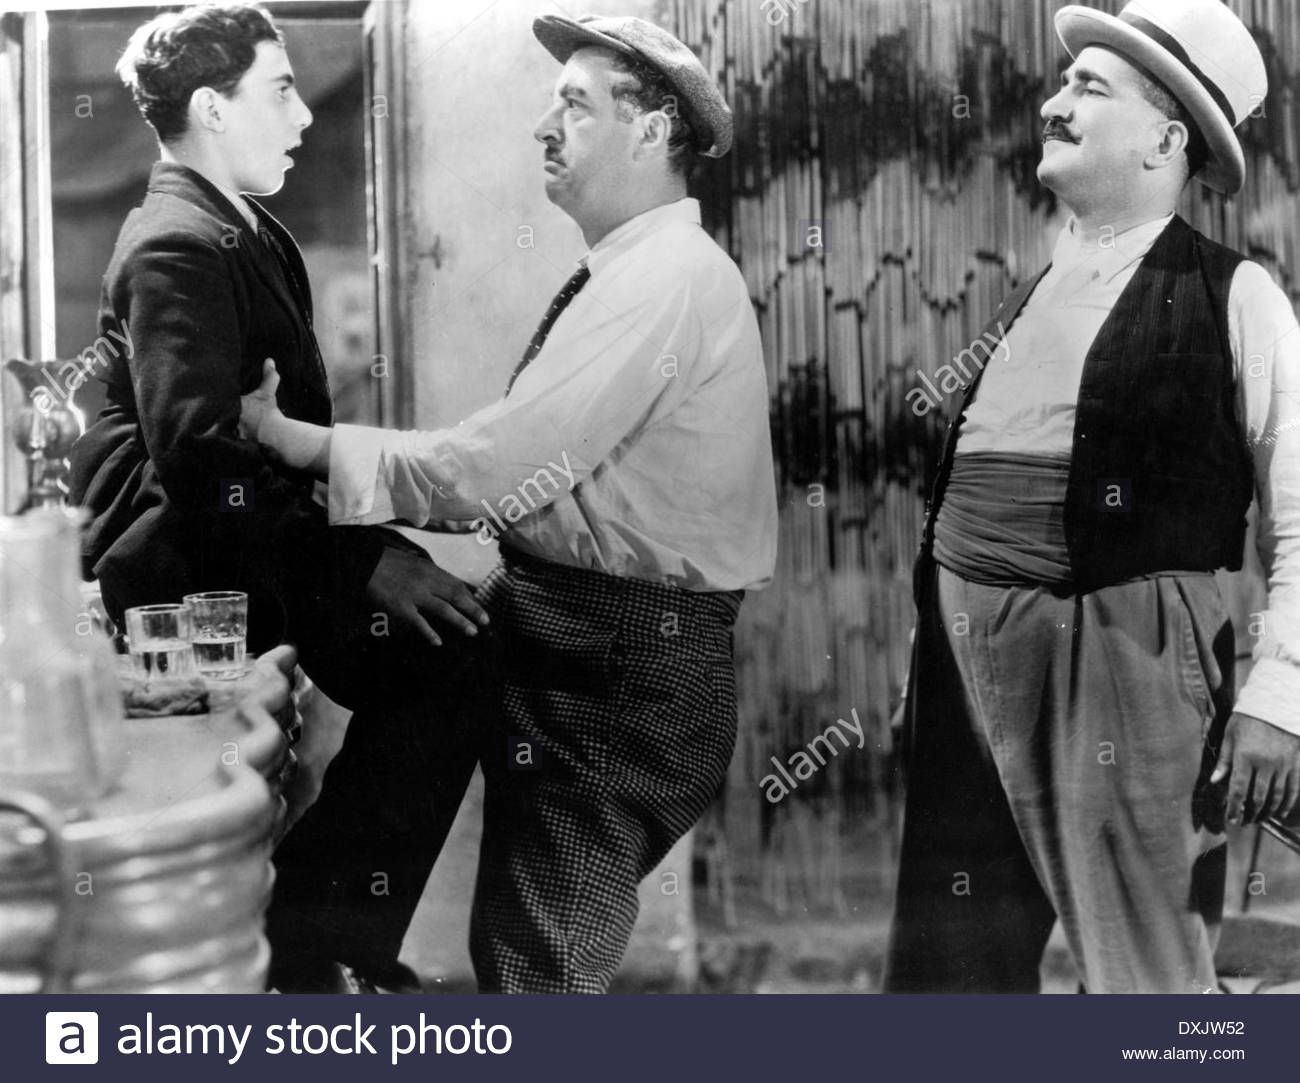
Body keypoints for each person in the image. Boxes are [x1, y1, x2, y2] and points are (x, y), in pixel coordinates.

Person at [242, 13, 778, 993]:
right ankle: (321, 955)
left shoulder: (665, 281)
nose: (544, 126)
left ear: (653, 130)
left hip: (617, 661)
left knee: (542, 970)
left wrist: (295, 443)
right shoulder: (638, 271)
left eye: (575, 105)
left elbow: (498, 468)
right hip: (590, 638)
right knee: (525, 954)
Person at [67, 2, 490, 993]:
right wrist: (363, 558)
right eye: (282, 90)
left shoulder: (237, 227)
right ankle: (312, 944)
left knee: (452, 653)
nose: (303, 116)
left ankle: (318, 939)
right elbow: (200, 463)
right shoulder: (178, 244)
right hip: (186, 561)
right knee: (451, 660)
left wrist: (378, 538)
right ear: (213, 109)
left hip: (253, 536)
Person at [884, 0, 1300, 994]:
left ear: (1165, 141)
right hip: (965, 670)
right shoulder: (1033, 293)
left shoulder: (1236, 295)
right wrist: (935, 654)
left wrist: (1280, 698)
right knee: (948, 975)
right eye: (1064, 80)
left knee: (1146, 989)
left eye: (1089, 87)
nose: (1052, 102)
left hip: (1125, 667)